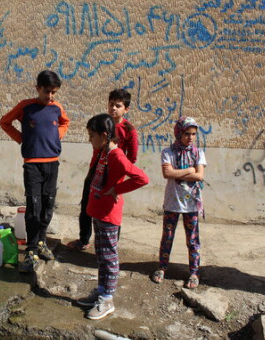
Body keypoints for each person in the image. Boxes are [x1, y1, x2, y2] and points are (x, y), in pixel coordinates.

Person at [77, 113, 148, 320]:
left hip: (109, 215)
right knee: (101, 255)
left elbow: (142, 178)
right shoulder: (103, 152)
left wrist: (117, 189)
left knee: (109, 257)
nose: (90, 140)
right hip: (98, 212)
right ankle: (101, 291)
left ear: (105, 135)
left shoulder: (117, 155)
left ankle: (108, 299)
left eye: (92, 136)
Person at [0, 70, 70, 273]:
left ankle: (41, 242)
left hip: (52, 163)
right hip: (32, 164)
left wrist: (57, 137)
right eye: (46, 91)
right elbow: (4, 122)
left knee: (48, 203)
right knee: (34, 206)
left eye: (54, 92)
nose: (50, 96)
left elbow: (65, 122)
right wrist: (22, 139)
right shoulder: (25, 106)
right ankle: (30, 250)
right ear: (37, 88)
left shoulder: (57, 108)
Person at [68, 88, 138, 251]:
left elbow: (132, 157)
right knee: (87, 205)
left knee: (111, 210)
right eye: (111, 104)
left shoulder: (129, 130)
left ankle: (112, 243)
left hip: (113, 176)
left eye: (118, 106)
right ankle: (84, 239)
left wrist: (119, 175)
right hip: (95, 171)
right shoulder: (101, 123)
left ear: (126, 109)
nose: (113, 108)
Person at [151, 116, 206, 289]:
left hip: (191, 204)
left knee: (192, 240)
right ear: (178, 133)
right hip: (173, 202)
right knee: (167, 237)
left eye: (194, 134)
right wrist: (190, 169)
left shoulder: (198, 153)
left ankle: (194, 272)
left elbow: (199, 175)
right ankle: (162, 267)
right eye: (187, 134)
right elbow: (167, 174)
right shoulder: (168, 152)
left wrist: (179, 172)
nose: (190, 137)